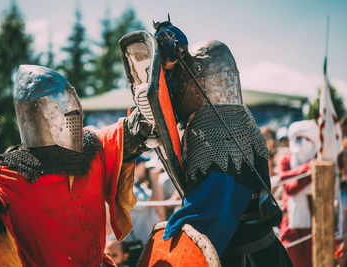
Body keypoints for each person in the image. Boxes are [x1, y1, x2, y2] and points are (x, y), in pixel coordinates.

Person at [121, 21, 292, 266]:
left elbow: (209, 216)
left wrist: (170, 241)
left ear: (199, 80)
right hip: (265, 253)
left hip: (239, 256)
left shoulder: (212, 128)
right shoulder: (240, 118)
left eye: (179, 79)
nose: (177, 87)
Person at [0, 65, 153, 266]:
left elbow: (134, 131)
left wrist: (150, 94)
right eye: (65, 110)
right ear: (37, 113)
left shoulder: (92, 149)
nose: (75, 115)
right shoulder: (8, 176)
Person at [278, 120, 320, 267]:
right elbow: (289, 188)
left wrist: (296, 175)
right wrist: (309, 169)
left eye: (307, 138)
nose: (302, 143)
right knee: (290, 260)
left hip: (314, 222)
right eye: (298, 138)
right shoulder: (286, 160)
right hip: (291, 223)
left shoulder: (320, 162)